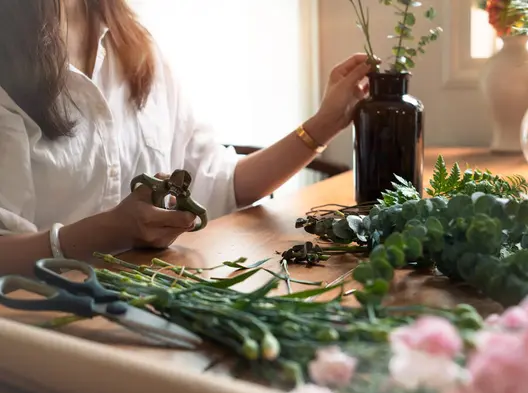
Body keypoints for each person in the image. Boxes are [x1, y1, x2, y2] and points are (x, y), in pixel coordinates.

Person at [0, 0, 371, 274]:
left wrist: (324, 124)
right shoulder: (9, 61)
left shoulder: (134, 44)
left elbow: (222, 180)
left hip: (149, 300)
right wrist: (110, 230)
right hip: (42, 328)